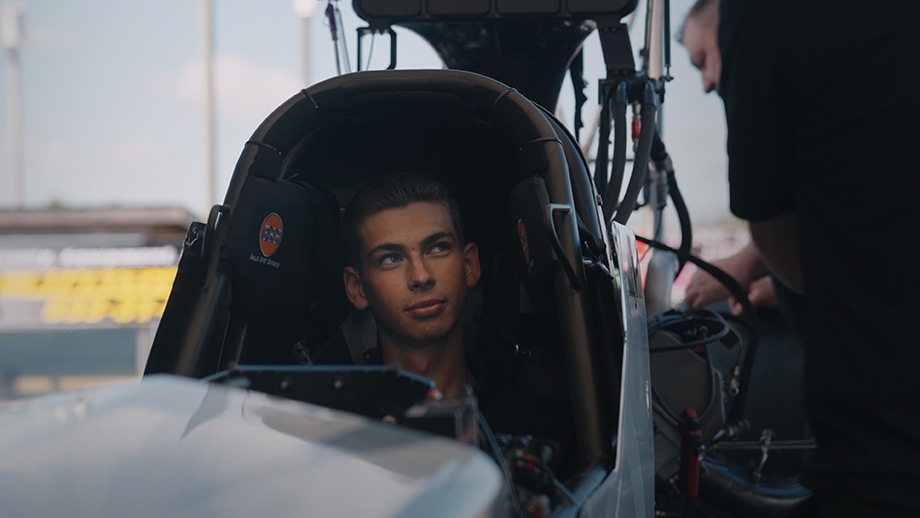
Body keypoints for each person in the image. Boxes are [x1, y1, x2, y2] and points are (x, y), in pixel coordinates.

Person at [718, 0, 920, 515]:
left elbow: (771, 224)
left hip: (883, 466)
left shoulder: (762, 15)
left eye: (700, 61)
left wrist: (823, 287)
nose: (703, 82)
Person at [678, 0, 804, 335]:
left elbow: (779, 226)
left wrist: (742, 266)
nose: (705, 84)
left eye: (702, 60)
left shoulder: (748, 21)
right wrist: (778, 286)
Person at [340, 172, 481, 400]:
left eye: (438, 248)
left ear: (469, 265)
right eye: (391, 259)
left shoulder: (543, 426)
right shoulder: (328, 429)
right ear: (357, 288)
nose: (421, 276)